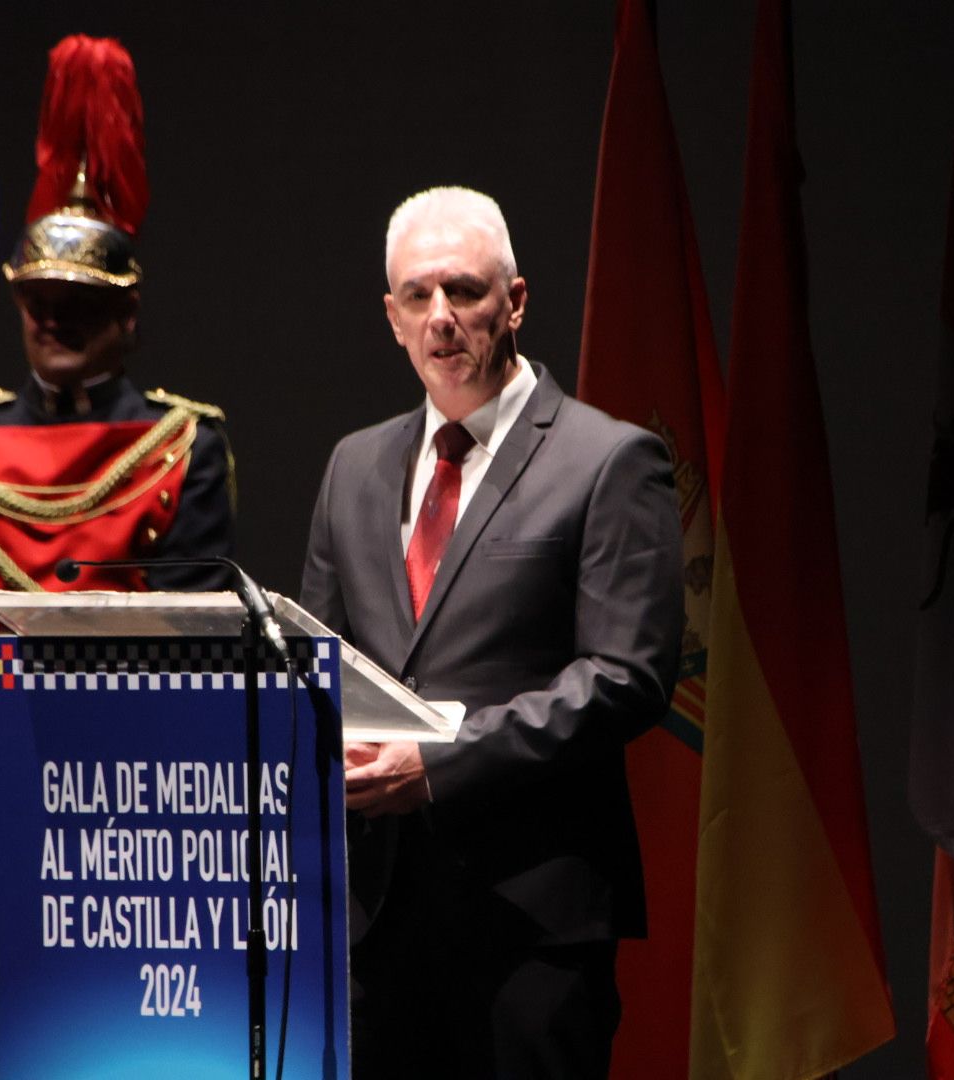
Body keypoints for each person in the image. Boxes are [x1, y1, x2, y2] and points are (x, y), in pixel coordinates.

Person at [0, 34, 234, 1080]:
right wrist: (6, 738)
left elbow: (189, 607)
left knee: (119, 1040)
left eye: (81, 305)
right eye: (39, 299)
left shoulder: (186, 441)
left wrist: (84, 747)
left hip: (126, 794)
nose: (55, 319)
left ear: (128, 316)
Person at [299, 186, 685, 1079]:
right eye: (417, 297)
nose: (441, 318)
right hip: (375, 924)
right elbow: (320, 663)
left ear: (515, 301)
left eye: (464, 292)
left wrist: (439, 763)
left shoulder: (607, 460)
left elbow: (627, 676)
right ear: (390, 317)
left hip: (532, 925)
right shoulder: (352, 466)